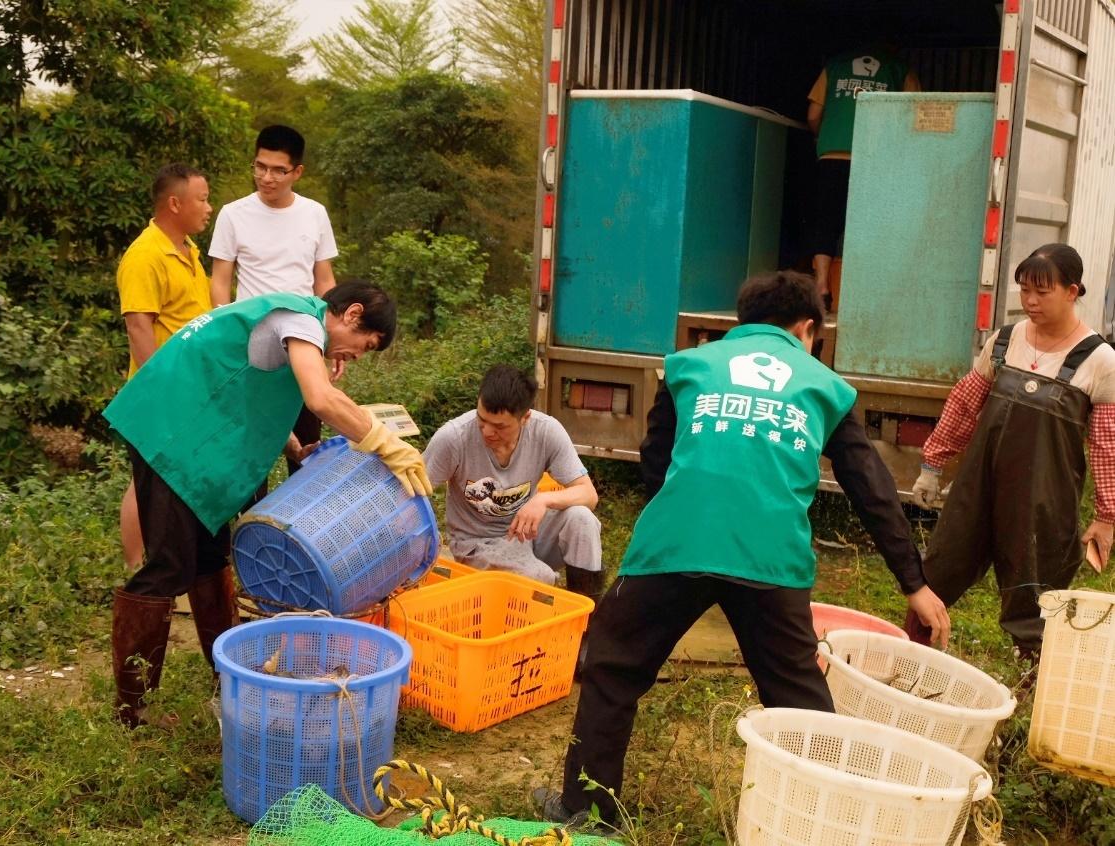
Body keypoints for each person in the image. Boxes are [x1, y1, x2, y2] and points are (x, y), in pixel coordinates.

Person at [536, 271, 950, 826]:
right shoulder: (825, 385)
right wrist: (914, 583)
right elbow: (871, 489)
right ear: (808, 329)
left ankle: (586, 814)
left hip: (675, 546)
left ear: (741, 321)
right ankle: (828, 821)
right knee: (800, 702)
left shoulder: (689, 367)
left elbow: (655, 458)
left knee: (612, 668)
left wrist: (692, 513)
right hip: (770, 559)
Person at [102, 282, 429, 727]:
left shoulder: (295, 318)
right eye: (365, 344)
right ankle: (131, 710)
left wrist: (293, 446)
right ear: (352, 314)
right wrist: (383, 441)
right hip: (171, 431)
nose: (357, 354)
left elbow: (253, 381)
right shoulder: (301, 320)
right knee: (170, 566)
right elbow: (321, 398)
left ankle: (228, 674)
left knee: (209, 557)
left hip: (192, 436)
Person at [908, 244, 1115, 659]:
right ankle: (909, 655)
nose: (1030, 302)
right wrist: (932, 465)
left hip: (1043, 502)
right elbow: (965, 403)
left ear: (1072, 291)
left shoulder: (1100, 360)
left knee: (1035, 593)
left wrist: (1107, 516)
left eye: (1043, 292)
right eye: (1024, 290)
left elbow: (1109, 446)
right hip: (977, 489)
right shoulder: (1005, 340)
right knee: (938, 570)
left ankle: (1029, 680)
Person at [209, 125, 340, 474]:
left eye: (278, 170)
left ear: (297, 172)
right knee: (252, 457)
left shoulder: (314, 213)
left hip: (304, 345)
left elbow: (323, 280)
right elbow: (220, 282)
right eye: (260, 167)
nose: (266, 178)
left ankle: (301, 526)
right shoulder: (233, 214)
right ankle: (250, 527)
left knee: (307, 452)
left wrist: (331, 340)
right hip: (251, 348)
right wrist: (226, 337)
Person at [423, 365, 605, 605]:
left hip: (525, 533)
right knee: (537, 579)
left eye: (500, 427)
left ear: (525, 418)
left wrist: (543, 500)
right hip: (478, 544)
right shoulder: (453, 438)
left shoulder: (546, 431)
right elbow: (413, 494)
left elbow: (588, 494)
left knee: (583, 519)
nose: (487, 432)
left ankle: (586, 623)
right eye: (482, 420)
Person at [115, 163, 214, 570]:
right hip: (161, 391)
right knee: (147, 485)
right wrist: (164, 393)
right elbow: (140, 330)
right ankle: (138, 573)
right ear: (175, 203)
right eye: (203, 199)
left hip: (190, 390)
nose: (209, 208)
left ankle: (169, 568)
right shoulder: (144, 256)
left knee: (167, 482)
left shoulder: (188, 251)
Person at [807, 47, 920, 301]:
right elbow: (914, 114)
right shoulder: (900, 68)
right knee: (871, 224)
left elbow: (813, 114)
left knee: (826, 222)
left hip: (833, 154)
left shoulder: (834, 65)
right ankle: (866, 290)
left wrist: (821, 136)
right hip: (877, 158)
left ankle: (823, 285)